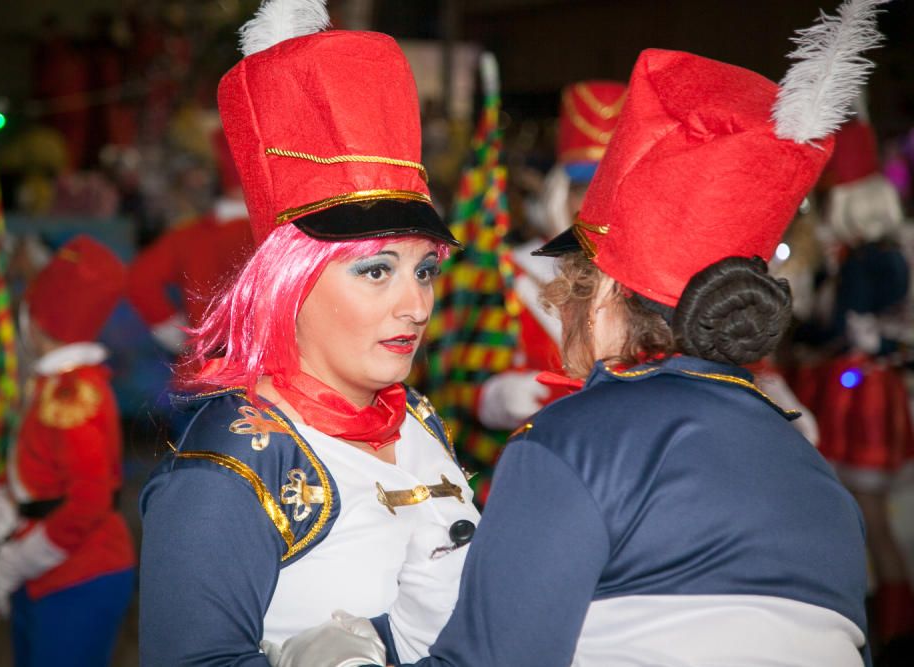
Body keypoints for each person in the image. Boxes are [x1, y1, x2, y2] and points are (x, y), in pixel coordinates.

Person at [269, 3, 881, 665]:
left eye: (577, 283)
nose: (559, 297)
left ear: (611, 296)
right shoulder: (822, 483)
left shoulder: (572, 441)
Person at [138, 1, 479, 664]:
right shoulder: (230, 467)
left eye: (426, 269)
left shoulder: (415, 417)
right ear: (289, 283)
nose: (416, 304)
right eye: (377, 270)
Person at [0, 235, 135, 666]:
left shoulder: (71, 396)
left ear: (33, 319)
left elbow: (89, 501)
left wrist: (23, 558)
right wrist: (8, 501)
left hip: (78, 576)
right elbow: (40, 465)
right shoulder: (53, 381)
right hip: (47, 569)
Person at [807, 117, 914, 649]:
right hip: (878, 384)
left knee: (866, 506)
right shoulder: (891, 252)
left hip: (860, 389)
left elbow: (834, 328)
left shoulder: (865, 261)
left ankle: (893, 618)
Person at [477, 81, 626, 433]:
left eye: (608, 190)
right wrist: (496, 397)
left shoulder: (649, 280)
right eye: (581, 190)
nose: (593, 204)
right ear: (559, 194)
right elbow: (460, 377)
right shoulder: (511, 271)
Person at [127, 129, 254, 355]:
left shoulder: (186, 236)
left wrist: (180, 338)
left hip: (204, 371)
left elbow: (138, 279)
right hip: (267, 374)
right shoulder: (278, 234)